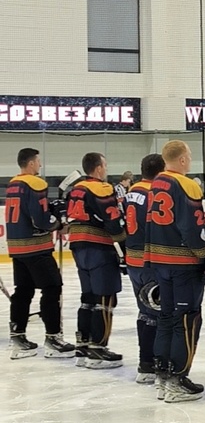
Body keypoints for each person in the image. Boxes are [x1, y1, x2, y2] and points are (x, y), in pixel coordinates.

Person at [146, 140, 205, 402]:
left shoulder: (156, 183)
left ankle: (162, 375)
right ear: (181, 159)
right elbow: (191, 228)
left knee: (166, 316)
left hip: (160, 261)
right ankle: (177, 378)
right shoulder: (186, 184)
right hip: (182, 264)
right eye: (188, 156)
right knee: (186, 319)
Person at [4, 148, 75, 360]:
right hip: (35, 247)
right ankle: (53, 338)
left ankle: (18, 337)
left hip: (17, 247)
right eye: (38, 161)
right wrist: (58, 223)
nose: (40, 165)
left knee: (23, 291)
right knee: (52, 288)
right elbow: (40, 220)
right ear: (32, 163)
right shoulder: (35, 183)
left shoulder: (13, 184)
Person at [67, 152, 126, 367]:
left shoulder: (77, 189)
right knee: (105, 298)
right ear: (98, 168)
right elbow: (113, 220)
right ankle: (98, 348)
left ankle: (82, 344)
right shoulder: (101, 188)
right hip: (98, 246)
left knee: (88, 296)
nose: (106, 169)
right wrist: (124, 248)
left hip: (77, 246)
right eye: (105, 165)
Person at [122, 153, 165, 382]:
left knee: (145, 312)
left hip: (133, 260)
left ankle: (145, 363)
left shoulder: (132, 192)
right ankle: (153, 363)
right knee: (158, 312)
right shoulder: (155, 194)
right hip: (151, 260)